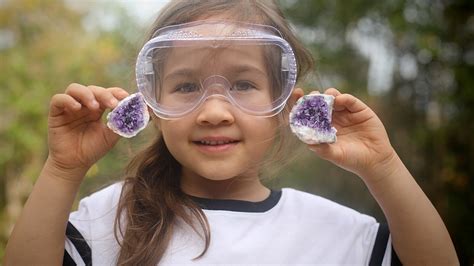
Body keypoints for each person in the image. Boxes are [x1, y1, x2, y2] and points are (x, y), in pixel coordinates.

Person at [4, 1, 458, 265]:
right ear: (152, 105)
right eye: (185, 87)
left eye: (243, 84)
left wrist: (383, 167)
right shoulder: (110, 218)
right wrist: (64, 169)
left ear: (284, 105)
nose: (215, 111)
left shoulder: (339, 232)